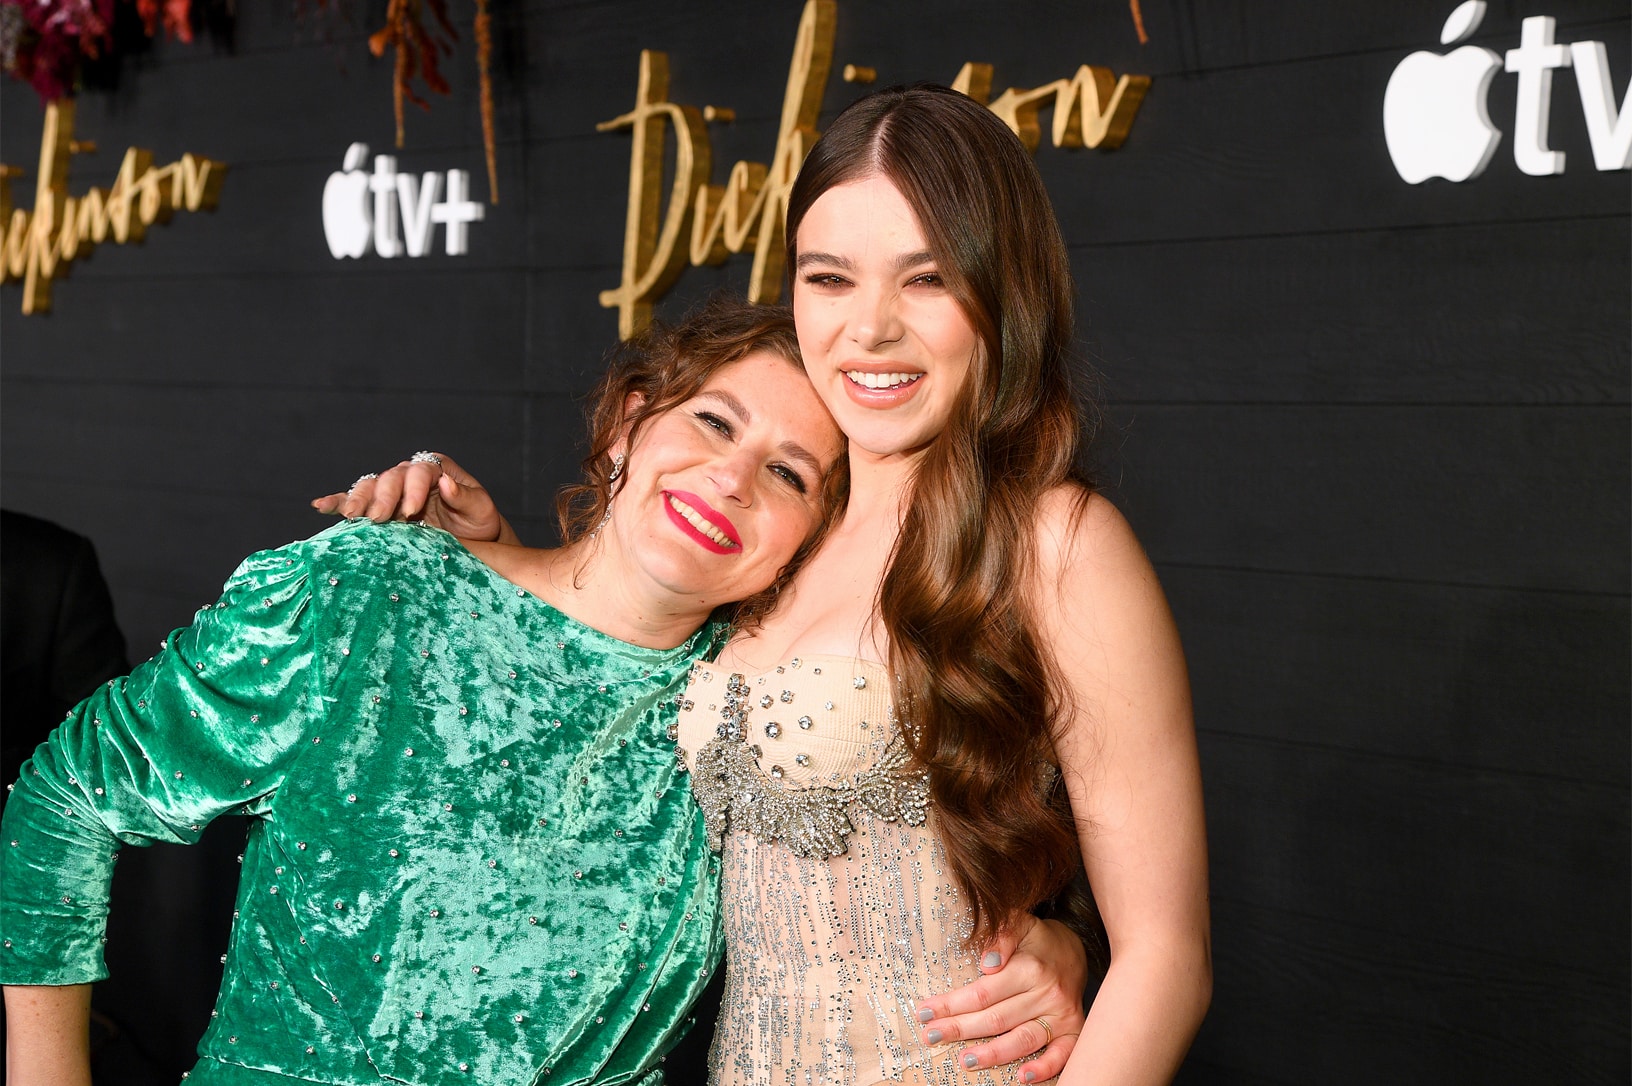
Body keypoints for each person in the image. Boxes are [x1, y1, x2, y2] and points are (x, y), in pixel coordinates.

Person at [333, 85, 1212, 1086]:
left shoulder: (1055, 541)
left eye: (925, 280)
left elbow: (1167, 962)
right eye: (831, 278)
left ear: (1002, 295)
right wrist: (485, 557)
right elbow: (594, 673)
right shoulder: (776, 532)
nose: (870, 329)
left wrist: (1071, 949)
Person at [2, 298, 1086, 1086]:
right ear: (628, 422)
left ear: (809, 545)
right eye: (713, 424)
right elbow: (60, 803)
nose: (731, 478)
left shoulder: (742, 725)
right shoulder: (371, 593)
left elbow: (875, 917)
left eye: (792, 474)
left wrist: (1057, 946)